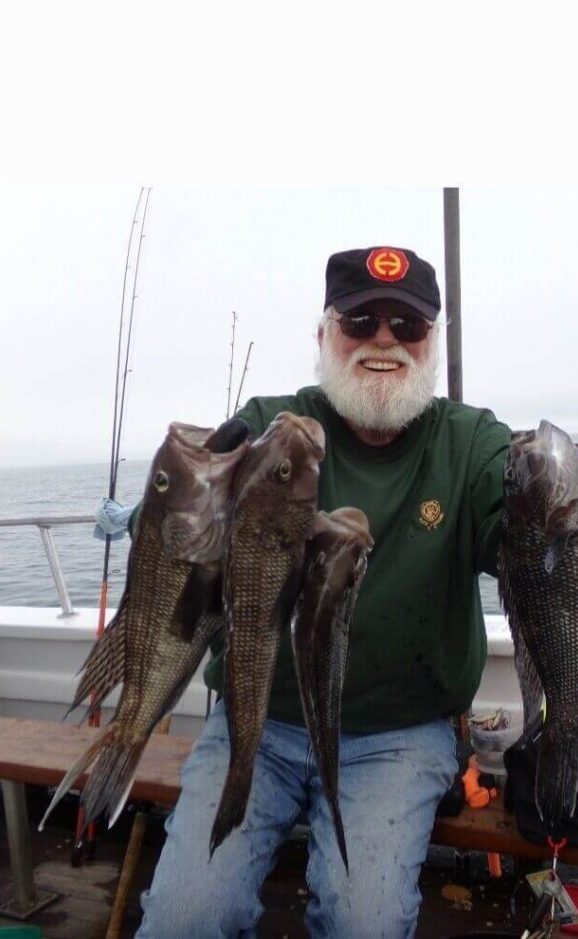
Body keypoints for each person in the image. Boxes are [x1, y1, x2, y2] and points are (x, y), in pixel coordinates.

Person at [136, 246, 511, 939]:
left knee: (366, 922)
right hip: (259, 718)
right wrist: (184, 499)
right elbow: (167, 534)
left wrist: (563, 502)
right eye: (360, 319)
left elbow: (517, 526)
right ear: (323, 335)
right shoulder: (273, 425)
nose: (384, 339)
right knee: (183, 918)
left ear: (432, 344)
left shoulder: (472, 442)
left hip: (400, 734)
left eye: (409, 324)